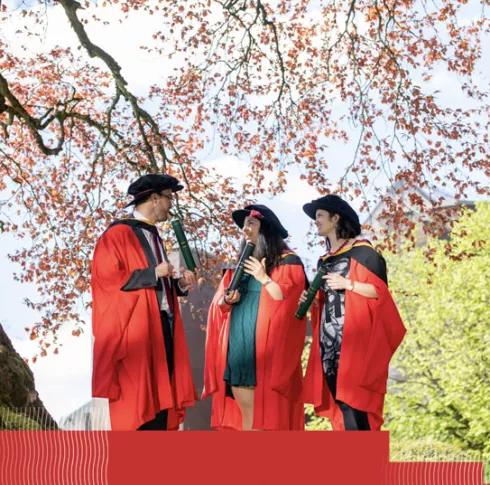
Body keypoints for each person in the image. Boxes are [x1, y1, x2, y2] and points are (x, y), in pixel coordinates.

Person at [91, 173, 198, 431]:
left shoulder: (154, 236)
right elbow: (106, 280)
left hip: (163, 328)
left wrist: (178, 285)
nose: (171, 204)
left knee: (162, 403)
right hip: (136, 332)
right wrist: (152, 273)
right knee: (140, 406)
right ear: (154, 198)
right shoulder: (118, 234)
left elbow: (155, 290)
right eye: (169, 198)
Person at [300, 194, 406, 431]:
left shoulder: (365, 254)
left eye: (319, 216)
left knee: (357, 408)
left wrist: (348, 284)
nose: (315, 221)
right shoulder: (323, 261)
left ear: (335, 218)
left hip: (356, 346)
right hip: (329, 345)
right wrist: (312, 300)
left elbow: (381, 295)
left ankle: (367, 465)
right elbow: (326, 301)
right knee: (342, 406)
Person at [202, 204, 307, 431]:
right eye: (243, 224)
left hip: (268, 354)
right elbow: (219, 306)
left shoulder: (288, 262)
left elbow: (289, 304)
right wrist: (227, 301)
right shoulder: (239, 265)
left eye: (251, 223)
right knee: (247, 417)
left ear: (266, 229)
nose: (244, 228)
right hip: (240, 351)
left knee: (265, 419)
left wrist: (264, 278)